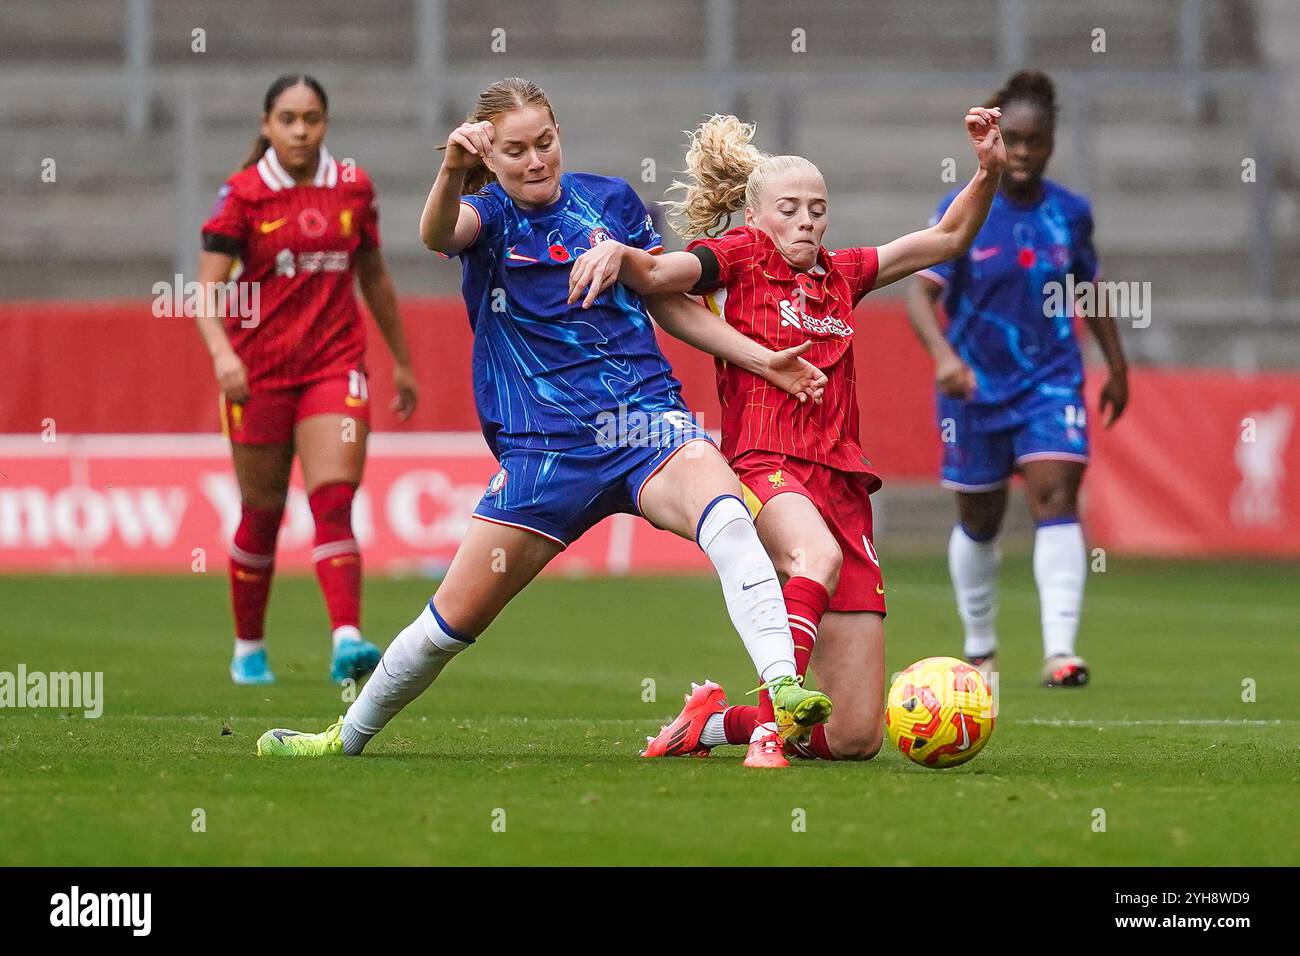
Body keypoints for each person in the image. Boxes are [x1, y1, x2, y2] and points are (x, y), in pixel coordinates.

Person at [256, 77, 836, 767]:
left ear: (560, 134)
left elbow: (669, 300)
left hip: (646, 427)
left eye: (545, 142)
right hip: (546, 453)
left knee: (728, 516)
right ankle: (343, 739)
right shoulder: (487, 216)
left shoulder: (612, 202)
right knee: (451, 623)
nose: (536, 160)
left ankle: (782, 684)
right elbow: (438, 230)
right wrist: (450, 169)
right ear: (491, 157)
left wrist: (763, 359)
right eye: (516, 150)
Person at [565, 104, 1005, 765]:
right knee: (814, 558)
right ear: (755, 216)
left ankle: (714, 724)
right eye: (791, 209)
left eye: (818, 209)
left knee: (853, 739)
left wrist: (988, 170)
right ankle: (772, 726)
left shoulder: (843, 274)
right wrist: (617, 252)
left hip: (843, 482)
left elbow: (945, 238)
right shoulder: (736, 257)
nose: (806, 222)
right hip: (768, 467)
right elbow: (659, 278)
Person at [903, 70, 1130, 688]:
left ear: (1052, 140)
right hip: (973, 385)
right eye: (1015, 140)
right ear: (998, 138)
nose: (1024, 152)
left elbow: (1089, 289)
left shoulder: (1071, 214)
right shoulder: (964, 209)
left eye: (1036, 141)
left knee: (1056, 495)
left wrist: (1115, 365)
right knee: (980, 518)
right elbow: (920, 298)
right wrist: (945, 358)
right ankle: (980, 648)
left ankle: (1061, 652)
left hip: (1052, 382)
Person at [195, 74, 418, 685]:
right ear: (267, 125)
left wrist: (399, 359)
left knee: (335, 499)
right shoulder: (243, 196)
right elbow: (206, 291)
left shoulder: (352, 188)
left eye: (311, 118)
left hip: (333, 366)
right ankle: (248, 648)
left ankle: (346, 638)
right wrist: (222, 355)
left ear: (325, 123)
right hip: (258, 374)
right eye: (288, 118)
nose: (300, 130)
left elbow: (374, 276)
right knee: (261, 513)